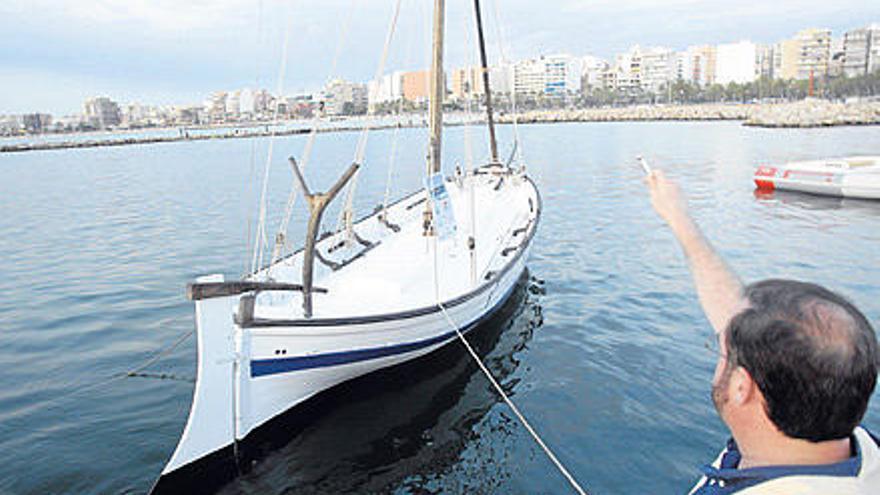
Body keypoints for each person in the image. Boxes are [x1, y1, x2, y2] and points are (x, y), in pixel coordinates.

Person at [644, 169, 880, 494]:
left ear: (742, 387)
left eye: (722, 352)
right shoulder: (854, 448)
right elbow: (736, 318)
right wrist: (679, 221)